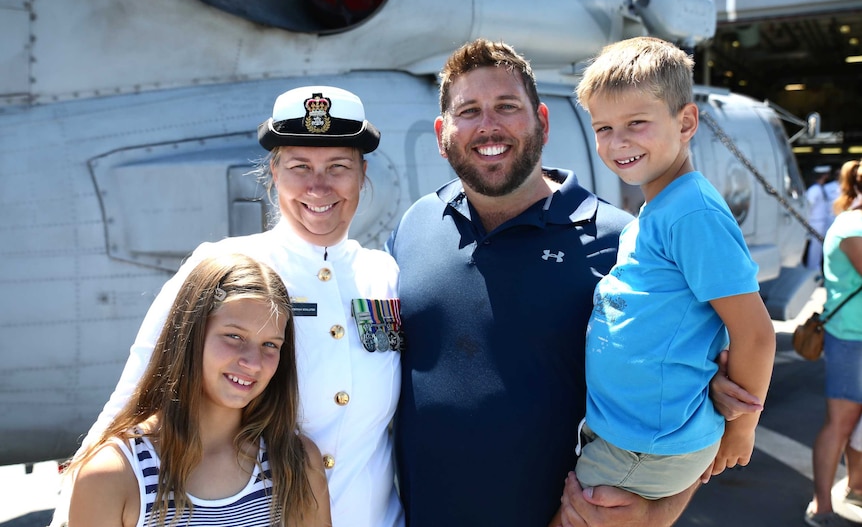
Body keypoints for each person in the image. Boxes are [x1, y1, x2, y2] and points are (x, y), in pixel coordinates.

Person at [387, 38, 755, 527]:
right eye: (468, 110)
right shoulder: (415, 226)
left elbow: (695, 412)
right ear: (442, 132)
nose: (488, 125)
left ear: (542, 121)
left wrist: (655, 514)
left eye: (506, 106)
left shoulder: (625, 242)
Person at [53, 86, 404, 527]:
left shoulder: (385, 278)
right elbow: (136, 393)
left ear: (363, 174)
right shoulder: (222, 268)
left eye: (339, 167)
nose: (319, 186)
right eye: (300, 167)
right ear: (274, 172)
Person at [571, 36, 775, 500]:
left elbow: (756, 333)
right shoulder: (661, 210)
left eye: (636, 123)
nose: (617, 142)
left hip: (646, 444)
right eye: (603, 128)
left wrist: (740, 430)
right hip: (635, 436)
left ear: (685, 122)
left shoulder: (691, 213)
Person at [66, 254, 331, 527]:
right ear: (190, 335)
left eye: (271, 345)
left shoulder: (295, 462)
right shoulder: (113, 475)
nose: (253, 363)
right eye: (234, 336)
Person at [806, 158, 862, 527]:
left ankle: (856, 487)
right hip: (851, 340)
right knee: (840, 423)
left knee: (854, 424)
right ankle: (821, 505)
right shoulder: (853, 226)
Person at [805, 165, 836, 271]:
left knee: (819, 248)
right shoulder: (814, 189)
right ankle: (812, 269)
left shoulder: (820, 188)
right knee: (815, 249)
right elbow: (808, 206)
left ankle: (816, 267)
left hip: (821, 222)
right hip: (815, 222)